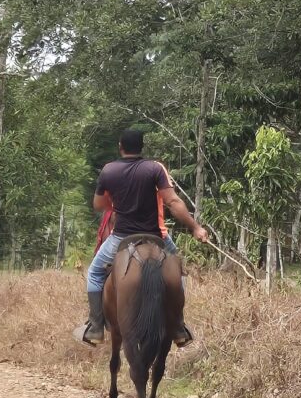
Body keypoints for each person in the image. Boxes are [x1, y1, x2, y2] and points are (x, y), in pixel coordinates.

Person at [73, 129, 209, 347]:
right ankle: (178, 326)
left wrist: (117, 204)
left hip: (121, 237)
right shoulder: (155, 168)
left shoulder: (109, 171)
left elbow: (98, 205)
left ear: (120, 146)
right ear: (142, 147)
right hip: (157, 237)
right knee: (178, 272)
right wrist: (195, 227)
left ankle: (96, 327)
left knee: (96, 273)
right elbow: (173, 202)